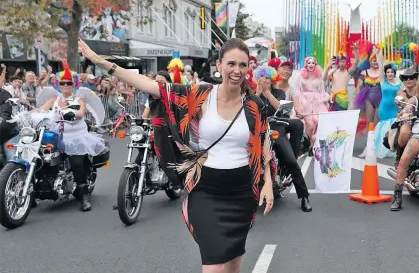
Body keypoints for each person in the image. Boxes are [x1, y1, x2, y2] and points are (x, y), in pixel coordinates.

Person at [79, 37, 275, 273]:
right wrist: (99, 60)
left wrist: (268, 183)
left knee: (233, 263)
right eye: (231, 64)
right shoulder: (200, 95)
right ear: (220, 65)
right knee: (214, 267)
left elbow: (263, 139)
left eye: (243, 65)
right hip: (206, 191)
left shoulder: (254, 105)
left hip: (242, 193)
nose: (237, 71)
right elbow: (150, 86)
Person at [32, 62, 108, 212]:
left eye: (69, 83)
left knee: (76, 162)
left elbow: (81, 112)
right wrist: (26, 112)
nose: (65, 85)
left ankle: (84, 195)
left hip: (76, 136)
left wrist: (73, 113)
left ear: (74, 84)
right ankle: (33, 191)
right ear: (58, 84)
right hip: (56, 135)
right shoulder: (54, 98)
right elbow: (41, 109)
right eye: (63, 83)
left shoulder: (79, 99)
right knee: (39, 157)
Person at [254, 65, 312, 212]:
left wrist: (267, 93)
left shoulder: (278, 92)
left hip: (276, 128)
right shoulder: (252, 94)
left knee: (291, 160)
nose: (265, 80)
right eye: (263, 77)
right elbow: (250, 110)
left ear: (273, 79)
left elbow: (279, 107)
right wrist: (257, 93)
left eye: (268, 78)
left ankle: (304, 196)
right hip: (257, 132)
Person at [295, 56, 329, 149]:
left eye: (313, 63)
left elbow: (322, 90)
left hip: (318, 103)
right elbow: (298, 90)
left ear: (315, 65)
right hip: (305, 103)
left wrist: (325, 102)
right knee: (309, 125)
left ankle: (314, 145)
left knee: (318, 123)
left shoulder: (319, 76)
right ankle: (307, 143)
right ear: (306, 64)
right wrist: (301, 102)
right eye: (309, 63)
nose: (311, 64)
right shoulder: (301, 75)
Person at [374, 61, 402, 159]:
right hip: (384, 109)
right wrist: (378, 55)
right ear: (385, 73)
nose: (390, 74)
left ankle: (393, 148)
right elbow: (380, 67)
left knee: (393, 127)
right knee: (384, 128)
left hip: (394, 108)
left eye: (391, 72)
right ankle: (383, 149)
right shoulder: (383, 81)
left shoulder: (399, 82)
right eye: (388, 72)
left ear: (394, 73)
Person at [394, 69, 419, 167]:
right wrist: (403, 113)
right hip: (408, 119)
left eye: (411, 77)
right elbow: (404, 108)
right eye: (405, 78)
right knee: (404, 132)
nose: (408, 80)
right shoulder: (401, 93)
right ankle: (399, 156)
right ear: (403, 80)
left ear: (416, 79)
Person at [324, 44, 360, 111]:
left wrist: (356, 51)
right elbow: (324, 79)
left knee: (341, 117)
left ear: (346, 63)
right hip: (332, 98)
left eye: (344, 62)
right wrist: (327, 68)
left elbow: (356, 62)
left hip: (343, 99)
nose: (342, 63)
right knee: (331, 118)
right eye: (341, 61)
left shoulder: (348, 72)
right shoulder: (333, 71)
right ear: (338, 62)